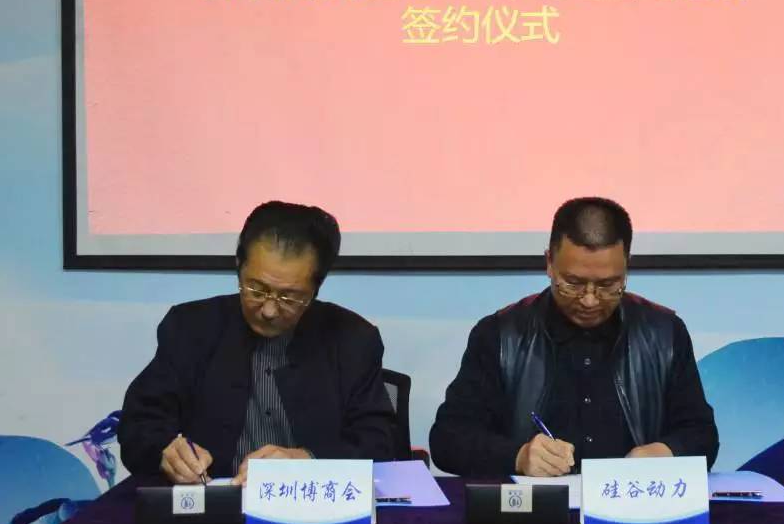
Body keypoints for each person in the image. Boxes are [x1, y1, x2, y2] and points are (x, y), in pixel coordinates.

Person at [430, 197, 719, 477]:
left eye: (608, 285)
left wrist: (665, 452)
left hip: (631, 504)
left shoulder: (664, 335)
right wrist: (518, 456)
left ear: (626, 268)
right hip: (537, 507)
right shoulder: (501, 336)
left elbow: (701, 434)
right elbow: (448, 438)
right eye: (573, 284)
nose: (590, 300)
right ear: (549, 263)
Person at [118, 201, 396, 485]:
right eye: (256, 289)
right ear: (238, 266)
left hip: (312, 504)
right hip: (213, 502)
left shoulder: (353, 340)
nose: (269, 310)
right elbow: (139, 425)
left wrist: (308, 460)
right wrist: (165, 451)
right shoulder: (190, 329)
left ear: (316, 288)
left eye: (289, 298)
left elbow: (380, 442)